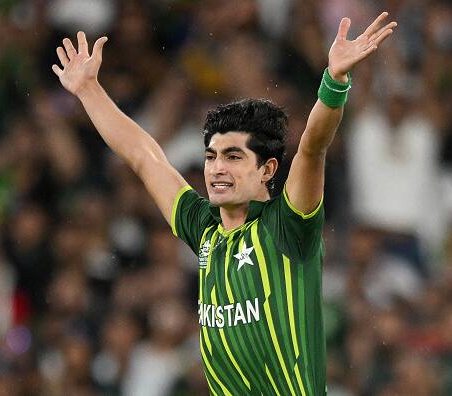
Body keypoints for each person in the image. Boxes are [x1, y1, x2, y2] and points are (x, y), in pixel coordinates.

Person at [52, 11, 396, 395]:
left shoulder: (287, 226)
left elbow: (312, 149)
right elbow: (142, 156)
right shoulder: (203, 227)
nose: (216, 168)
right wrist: (88, 91)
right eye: (211, 156)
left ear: (266, 169)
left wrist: (333, 83)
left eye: (233, 157)